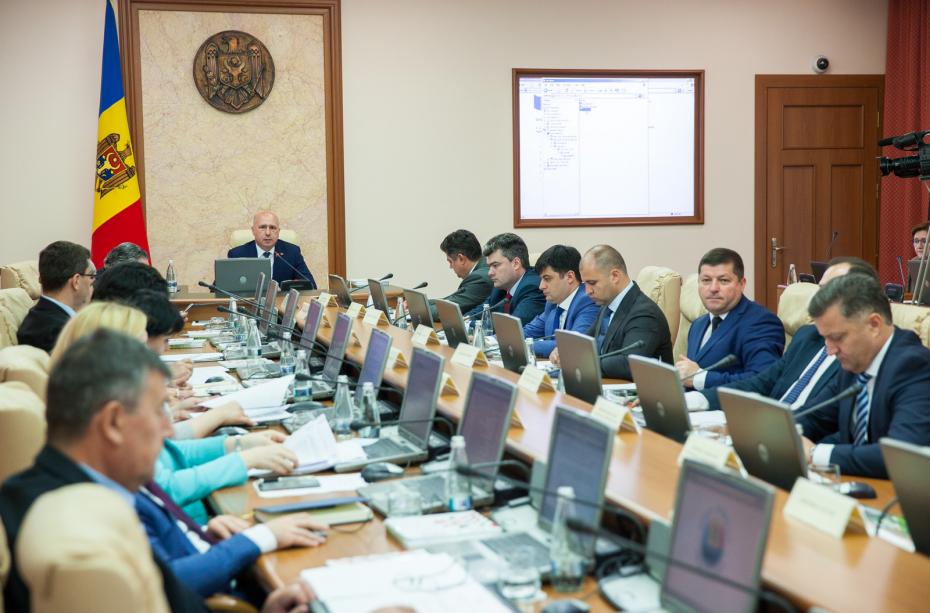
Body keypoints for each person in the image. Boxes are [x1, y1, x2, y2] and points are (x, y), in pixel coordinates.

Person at [0, 330, 323, 611]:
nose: (169, 429)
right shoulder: (76, 518)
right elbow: (164, 587)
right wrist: (258, 539)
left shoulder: (80, 481)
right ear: (113, 422)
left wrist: (202, 536)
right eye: (158, 412)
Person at [688, 257, 878, 411]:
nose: (821, 298)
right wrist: (699, 400)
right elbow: (762, 382)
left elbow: (826, 419)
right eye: (821, 289)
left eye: (832, 291)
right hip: (766, 421)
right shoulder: (807, 336)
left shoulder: (860, 354)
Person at [798, 273, 930, 478]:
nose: (830, 350)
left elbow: (899, 457)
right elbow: (814, 416)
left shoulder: (915, 367)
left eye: (836, 337)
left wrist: (815, 454)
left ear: (874, 325)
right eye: (825, 339)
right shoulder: (854, 363)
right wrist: (783, 432)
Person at [554, 244, 672, 380]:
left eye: (592, 283)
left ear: (615, 276)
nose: (587, 291)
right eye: (585, 284)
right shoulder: (607, 306)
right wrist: (565, 351)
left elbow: (628, 363)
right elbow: (585, 342)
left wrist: (581, 363)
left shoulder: (644, 314)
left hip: (640, 390)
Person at [676, 248, 784, 390]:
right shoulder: (698, 324)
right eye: (706, 280)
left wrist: (700, 378)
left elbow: (763, 380)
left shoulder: (762, 323)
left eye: (724, 280)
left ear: (742, 284)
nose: (713, 288)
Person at [16, 241, 95, 352]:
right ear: (76, 281)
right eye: (91, 277)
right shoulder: (59, 333)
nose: (93, 283)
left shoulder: (43, 317)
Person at [522, 245, 599, 359]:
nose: (541, 286)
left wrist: (526, 345)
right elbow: (528, 332)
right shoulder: (552, 303)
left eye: (547, 279)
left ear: (569, 277)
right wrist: (496, 340)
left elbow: (574, 345)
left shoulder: (588, 301)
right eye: (541, 279)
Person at [468, 232, 545, 326]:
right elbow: (478, 313)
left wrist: (470, 325)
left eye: (495, 265)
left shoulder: (533, 287)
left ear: (516, 263)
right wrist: (466, 321)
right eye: (489, 267)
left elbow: (510, 328)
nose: (490, 273)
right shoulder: (501, 287)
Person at [228, 210, 316, 288]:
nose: (268, 233)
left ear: (278, 231)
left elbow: (311, 286)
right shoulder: (237, 255)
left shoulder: (292, 252)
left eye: (272, 228)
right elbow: (224, 289)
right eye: (262, 227)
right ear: (253, 230)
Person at [429, 229, 492, 318]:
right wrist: (422, 303)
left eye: (450, 261)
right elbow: (450, 299)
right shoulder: (483, 266)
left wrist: (417, 308)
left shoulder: (480, 278)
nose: (450, 267)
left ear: (461, 258)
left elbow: (446, 310)